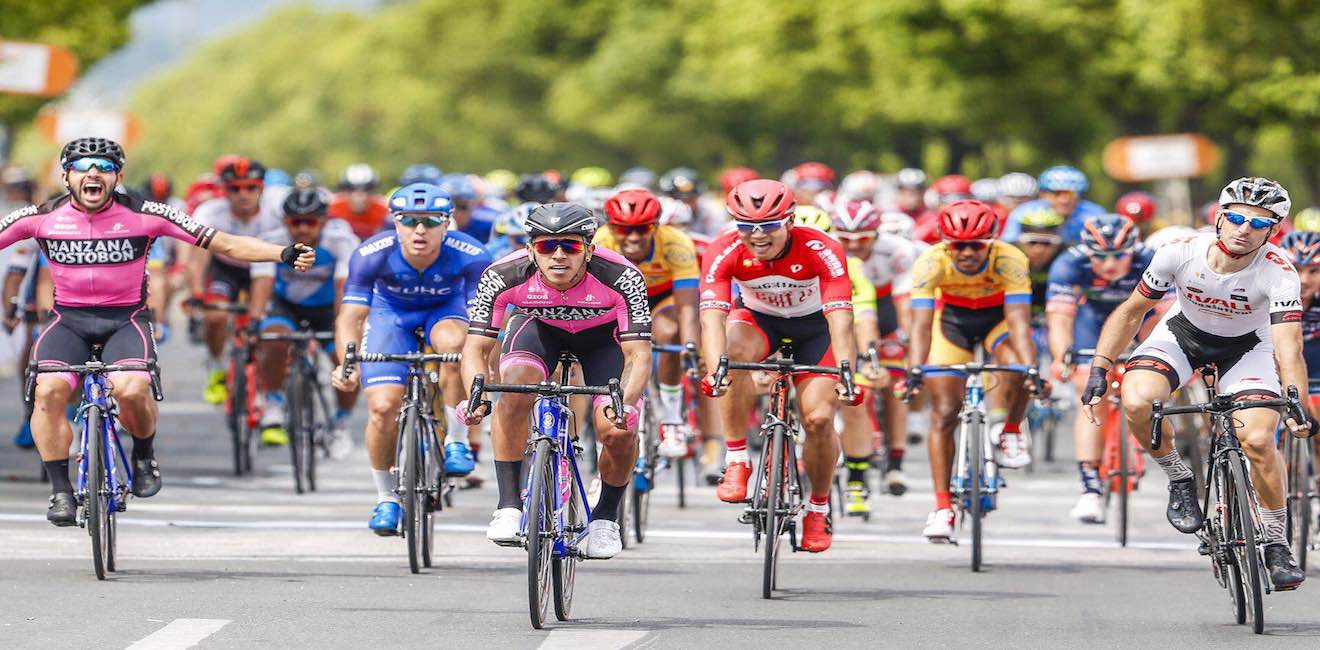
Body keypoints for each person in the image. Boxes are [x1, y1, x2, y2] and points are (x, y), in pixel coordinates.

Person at [0, 138, 313, 525]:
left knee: (131, 389)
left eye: (104, 167)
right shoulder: (42, 216)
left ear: (118, 176)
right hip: (68, 321)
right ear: (67, 176)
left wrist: (282, 253)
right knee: (47, 391)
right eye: (82, 167)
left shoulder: (146, 213)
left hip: (125, 320)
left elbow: (224, 242)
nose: (93, 174)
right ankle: (61, 491)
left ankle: (144, 455)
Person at [1081, 177, 1312, 590]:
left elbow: (1288, 347)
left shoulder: (1279, 272)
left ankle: (1277, 541)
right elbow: (1133, 311)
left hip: (1248, 348)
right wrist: (1100, 366)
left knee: (1259, 440)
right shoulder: (1180, 252)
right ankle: (1179, 477)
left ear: (1273, 230)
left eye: (1259, 223)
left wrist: (1297, 402)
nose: (1244, 229)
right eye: (1236, 218)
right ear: (1220, 218)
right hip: (1182, 336)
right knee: (1137, 401)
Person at [458, 202, 652, 560]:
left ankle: (605, 518)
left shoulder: (622, 276)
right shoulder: (503, 274)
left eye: (571, 246)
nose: (558, 255)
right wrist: (476, 394)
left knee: (617, 431)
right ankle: (508, 506)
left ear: (589, 250)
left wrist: (624, 404)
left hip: (603, 340)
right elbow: (476, 348)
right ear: (531, 249)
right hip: (538, 331)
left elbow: (638, 355)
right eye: (547, 246)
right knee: (513, 389)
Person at [699, 179, 860, 553]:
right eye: (746, 225)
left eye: (769, 225)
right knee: (731, 359)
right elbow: (712, 317)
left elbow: (841, 318)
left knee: (818, 419)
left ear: (789, 220)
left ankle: (818, 509)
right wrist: (715, 370)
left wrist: (846, 372)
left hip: (816, 329)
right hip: (759, 322)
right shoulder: (724, 248)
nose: (757, 235)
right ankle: (737, 459)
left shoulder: (821, 247)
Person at [330, 183, 491, 535]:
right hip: (390, 316)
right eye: (409, 220)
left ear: (447, 223)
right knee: (382, 408)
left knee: (455, 346)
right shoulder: (371, 253)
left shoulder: (471, 253)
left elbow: (483, 322)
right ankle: (386, 498)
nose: (420, 229)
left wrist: (481, 363)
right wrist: (346, 363)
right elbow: (350, 317)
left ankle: (457, 440)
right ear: (395, 222)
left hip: (444, 311)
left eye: (431, 221)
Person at [901, 200, 1040, 542]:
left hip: (998, 320)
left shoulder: (1010, 259)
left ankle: (1011, 429)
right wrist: (914, 369)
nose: (966, 253)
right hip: (951, 324)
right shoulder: (930, 261)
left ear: (990, 242)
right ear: (945, 244)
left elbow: (1019, 323)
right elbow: (920, 326)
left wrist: (1031, 369)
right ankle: (942, 507)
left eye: (976, 245)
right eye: (957, 246)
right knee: (945, 411)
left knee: (1019, 366)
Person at [1045, 214, 1153, 522]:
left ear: (1133, 249)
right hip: (1092, 321)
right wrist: (1061, 357)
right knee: (1089, 394)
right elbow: (1060, 318)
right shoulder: (1069, 263)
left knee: (1151, 379)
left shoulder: (1150, 259)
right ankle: (1090, 489)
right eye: (1100, 257)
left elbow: (1165, 312)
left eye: (1119, 256)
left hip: (1143, 319)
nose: (1110, 265)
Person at [249, 187, 361, 455]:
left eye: (309, 222)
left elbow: (343, 286)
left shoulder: (341, 240)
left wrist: (343, 328)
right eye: (295, 222)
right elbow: (263, 281)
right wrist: (254, 322)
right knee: (273, 340)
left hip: (327, 310)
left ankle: (341, 423)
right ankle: (274, 403)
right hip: (286, 307)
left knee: (346, 360)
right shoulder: (271, 240)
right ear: (285, 222)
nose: (302, 228)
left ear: (323, 221)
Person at [595, 188, 701, 457]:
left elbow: (687, 307)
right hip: (620, 299)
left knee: (670, 332)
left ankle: (673, 419)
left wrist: (690, 346)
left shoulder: (677, 243)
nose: (633, 237)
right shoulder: (601, 242)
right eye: (623, 229)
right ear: (611, 227)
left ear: (656, 226)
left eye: (643, 229)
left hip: (663, 297)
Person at [830, 200, 918, 502]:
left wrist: (908, 340)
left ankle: (896, 464)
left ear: (876, 235)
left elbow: (905, 302)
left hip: (886, 306)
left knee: (895, 382)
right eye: (846, 239)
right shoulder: (828, 249)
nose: (854, 246)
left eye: (862, 239)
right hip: (845, 307)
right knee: (857, 386)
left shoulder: (898, 250)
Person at [189, 157, 290, 405]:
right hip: (227, 270)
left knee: (268, 327)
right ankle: (217, 366)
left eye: (250, 187)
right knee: (215, 317)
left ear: (262, 188)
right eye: (235, 189)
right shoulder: (210, 212)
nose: (243, 194)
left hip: (267, 269)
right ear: (225, 191)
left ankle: (274, 386)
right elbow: (197, 259)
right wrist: (197, 294)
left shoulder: (278, 209)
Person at [1001, 165, 1105, 243]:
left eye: (1071, 194)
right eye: (1057, 194)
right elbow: (1009, 243)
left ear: (1080, 196)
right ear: (1043, 194)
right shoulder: (1023, 213)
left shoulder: (1095, 214)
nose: (1064, 200)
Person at [329, 163, 389, 240]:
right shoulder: (331, 208)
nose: (360, 195)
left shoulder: (385, 211)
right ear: (343, 191)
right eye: (351, 189)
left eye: (367, 189)